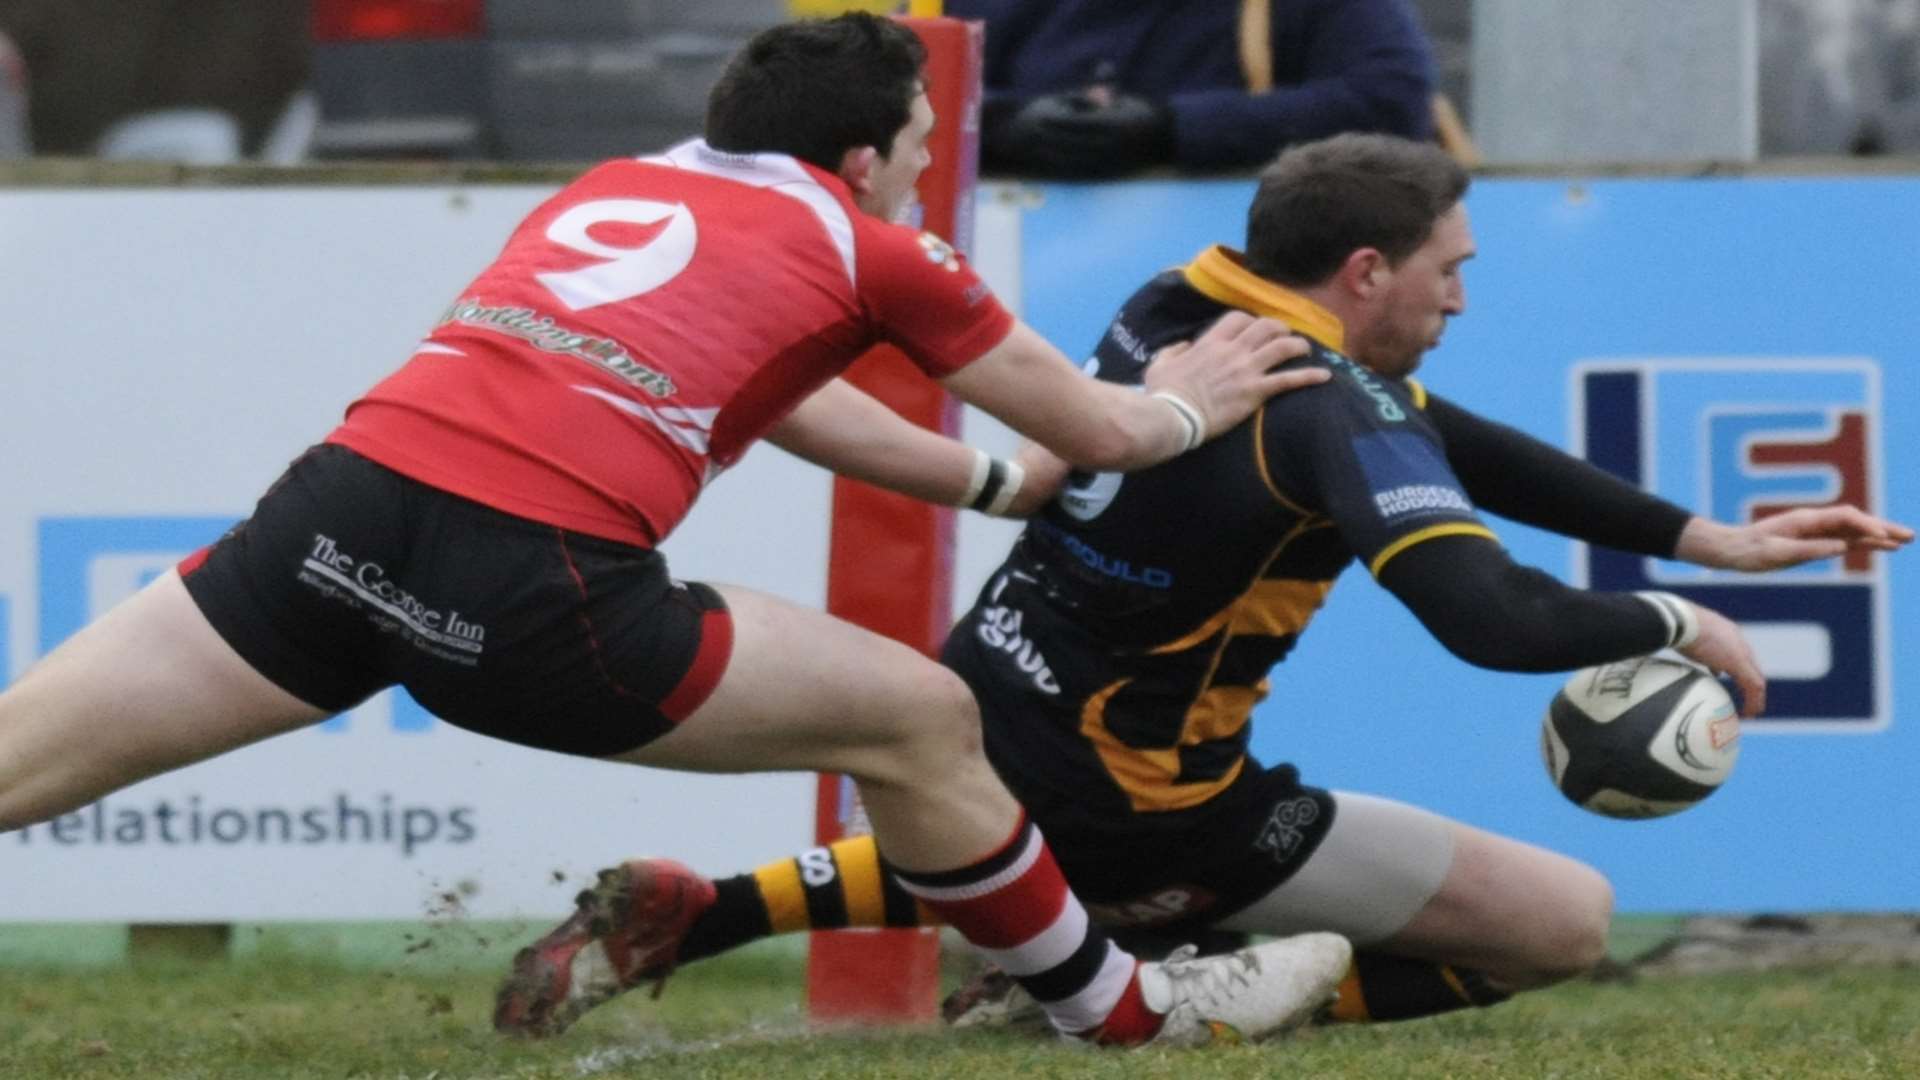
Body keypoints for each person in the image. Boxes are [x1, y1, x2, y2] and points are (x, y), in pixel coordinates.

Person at [0, 14, 1352, 1048]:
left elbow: (777, 396)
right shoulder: (873, 244)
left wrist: (991, 489)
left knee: (15, 765)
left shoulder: (623, 179)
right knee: (922, 722)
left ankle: (1099, 1002)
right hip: (533, 586)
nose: (934, 161)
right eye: (929, 138)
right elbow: (1109, 432)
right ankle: (1127, 1016)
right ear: (864, 158)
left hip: (341, 513)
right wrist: (1186, 400)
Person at [492, 132, 1914, 1036]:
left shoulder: (1184, 306)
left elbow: (1442, 434)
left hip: (977, 720)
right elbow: (1492, 623)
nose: (1463, 299)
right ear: (1365, 272)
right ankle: (1189, 997)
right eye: (1448, 271)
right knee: (1565, 923)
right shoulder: (1331, 412)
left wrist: (1699, 534)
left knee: (1056, 841)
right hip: (1140, 798)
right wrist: (1683, 614)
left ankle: (712, 907)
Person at [947, 0, 1436, 177]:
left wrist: (1172, 128)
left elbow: (1392, 101)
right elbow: (895, 87)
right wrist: (1006, 125)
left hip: (1249, 304)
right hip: (1002, 294)